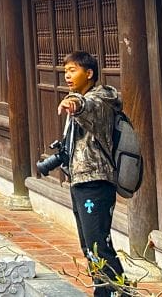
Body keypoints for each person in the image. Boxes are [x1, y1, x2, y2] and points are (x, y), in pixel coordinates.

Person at [58, 50, 127, 297]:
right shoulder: (79, 95)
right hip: (80, 181)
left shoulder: (101, 99)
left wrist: (74, 103)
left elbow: (88, 107)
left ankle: (120, 293)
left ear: (89, 73)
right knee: (90, 246)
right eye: (65, 70)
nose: (67, 75)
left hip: (95, 181)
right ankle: (106, 293)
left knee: (99, 246)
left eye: (72, 70)